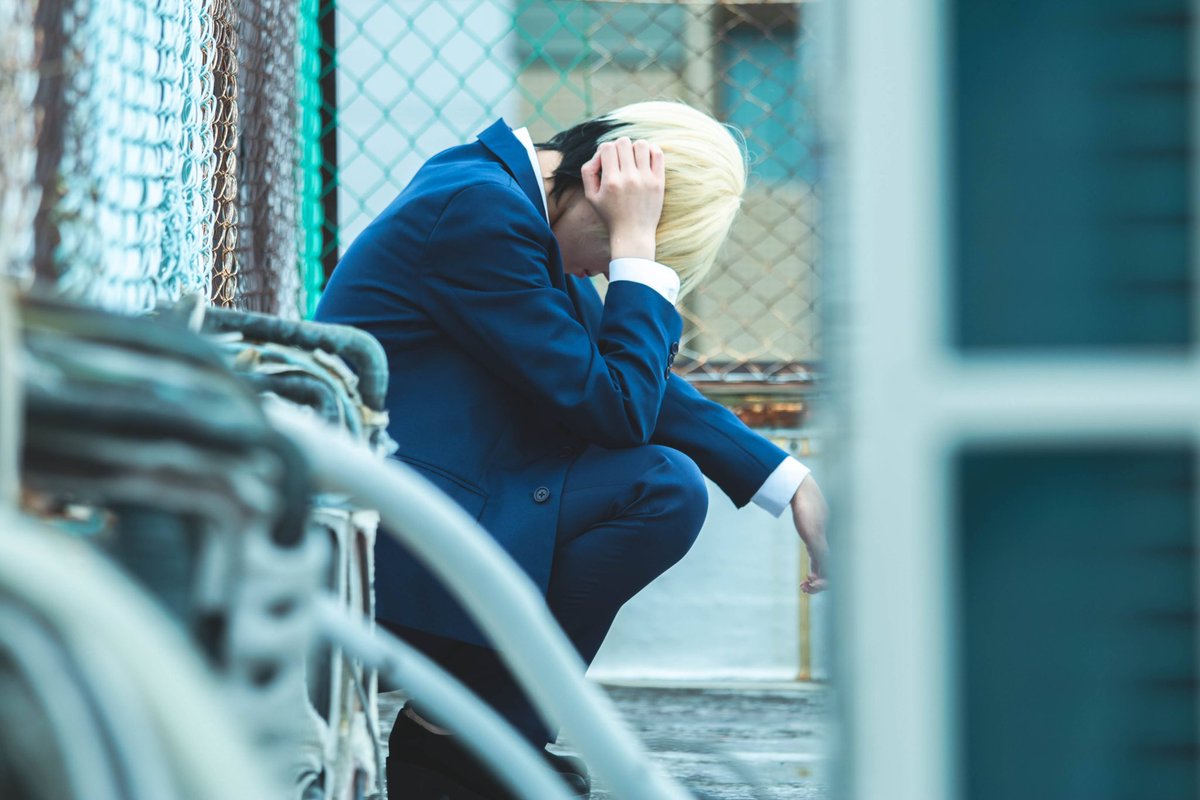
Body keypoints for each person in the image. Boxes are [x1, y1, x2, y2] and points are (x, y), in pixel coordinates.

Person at [314, 100, 828, 799]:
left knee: (660, 484)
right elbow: (618, 408)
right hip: (377, 556)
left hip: (411, 514)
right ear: (602, 185)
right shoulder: (482, 212)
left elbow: (636, 389)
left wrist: (789, 480)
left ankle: (465, 741)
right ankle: (465, 741)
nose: (604, 272)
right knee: (660, 490)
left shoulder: (506, 197)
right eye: (614, 250)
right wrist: (637, 256)